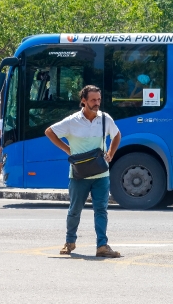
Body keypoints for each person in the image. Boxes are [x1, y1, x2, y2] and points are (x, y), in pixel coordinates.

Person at [45, 85, 122, 258]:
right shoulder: (72, 121)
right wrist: (67, 149)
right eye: (93, 100)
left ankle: (102, 245)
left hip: (101, 174)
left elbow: (117, 135)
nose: (97, 103)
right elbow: (49, 132)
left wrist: (110, 153)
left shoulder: (104, 119)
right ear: (83, 101)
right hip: (79, 174)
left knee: (101, 210)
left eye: (99, 100)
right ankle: (69, 241)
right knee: (74, 209)